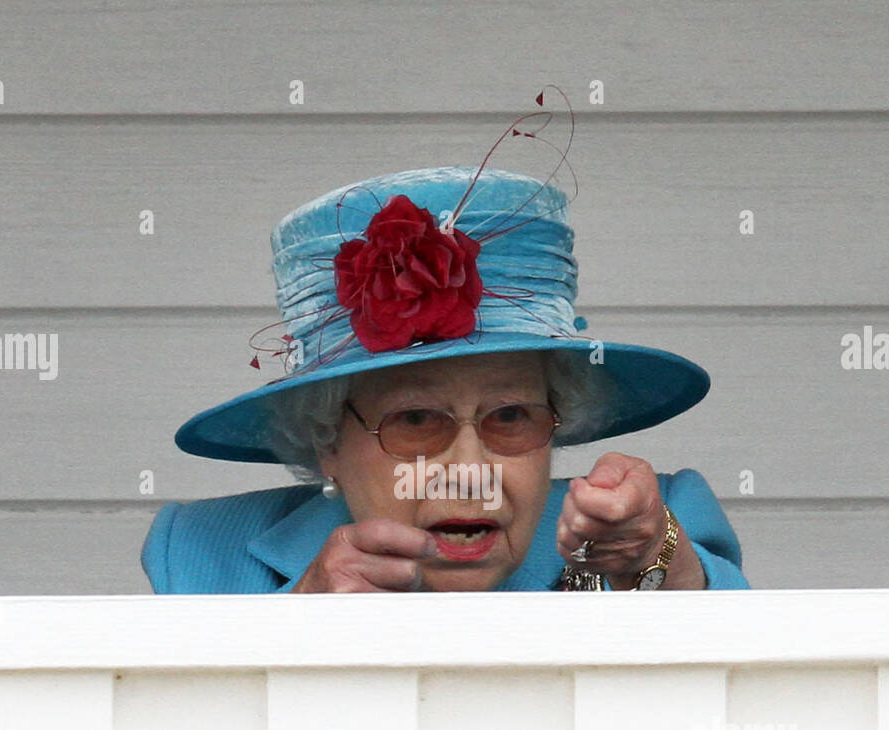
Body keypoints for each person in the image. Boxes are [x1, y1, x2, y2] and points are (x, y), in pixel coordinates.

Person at [142, 162, 749, 594]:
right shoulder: (202, 555)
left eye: (510, 416)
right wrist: (300, 635)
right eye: (415, 420)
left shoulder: (641, 528)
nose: (469, 472)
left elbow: (746, 673)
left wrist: (653, 561)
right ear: (327, 442)